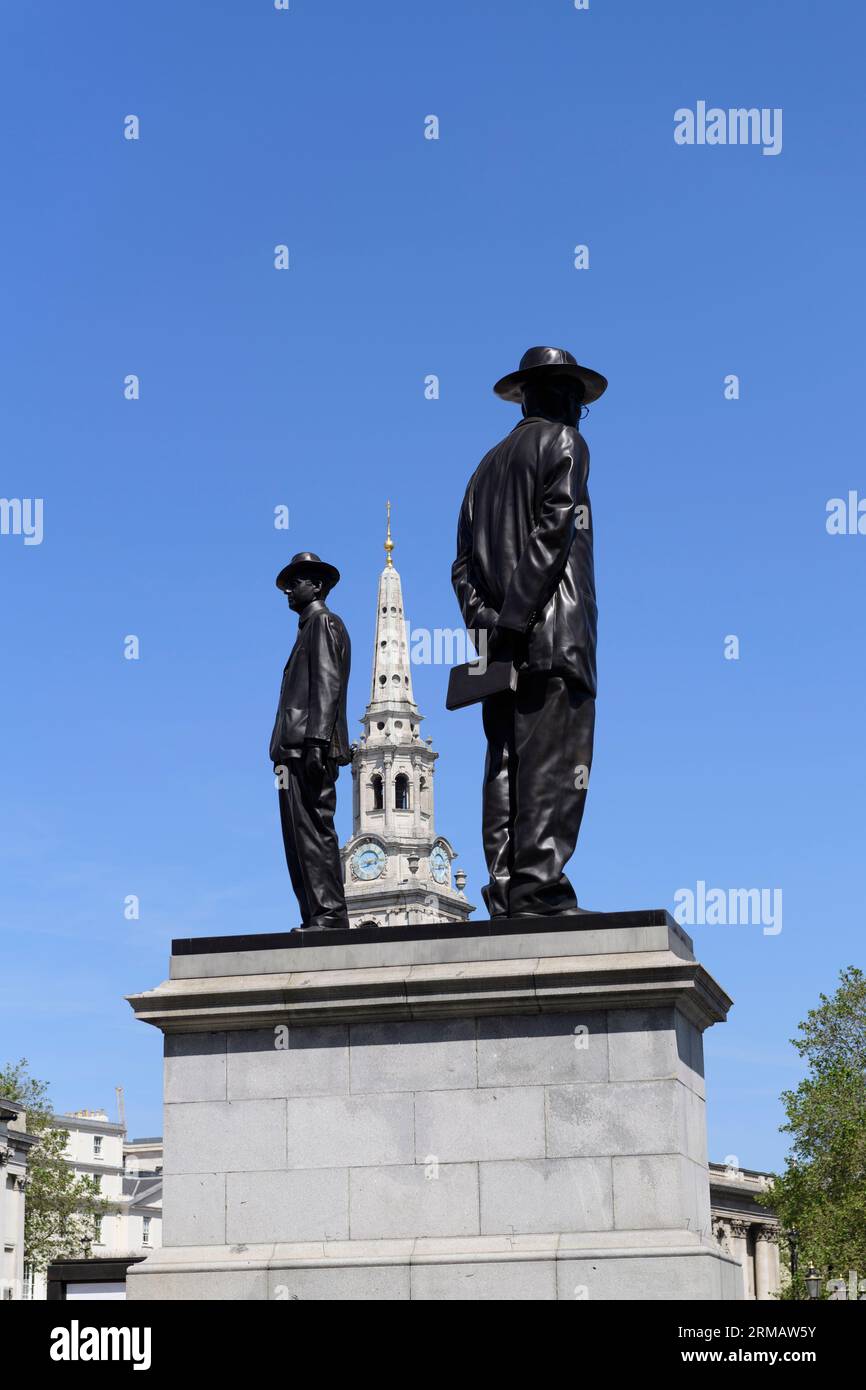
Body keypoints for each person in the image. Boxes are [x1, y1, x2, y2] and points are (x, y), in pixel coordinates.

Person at [452, 346, 607, 918]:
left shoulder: (482, 470)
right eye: (577, 402)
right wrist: (518, 620)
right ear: (562, 395)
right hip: (553, 635)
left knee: (505, 764)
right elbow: (554, 530)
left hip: (499, 652)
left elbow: (462, 565)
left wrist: (490, 631)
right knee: (555, 764)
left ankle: (504, 889)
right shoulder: (565, 443)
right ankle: (538, 890)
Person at [270, 551, 352, 930]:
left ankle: (329, 914)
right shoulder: (307, 628)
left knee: (314, 831)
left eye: (296, 581)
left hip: (307, 748)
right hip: (292, 751)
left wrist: (318, 742)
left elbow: (327, 684)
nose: (288, 589)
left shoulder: (323, 623)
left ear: (317, 585)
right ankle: (315, 914)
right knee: (297, 839)